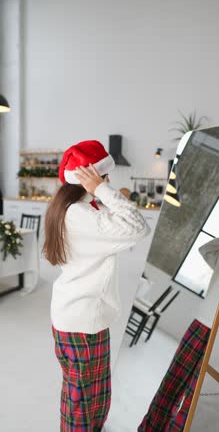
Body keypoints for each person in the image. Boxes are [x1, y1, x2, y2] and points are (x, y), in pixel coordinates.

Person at [42, 140, 151, 431]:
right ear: (90, 177)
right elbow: (138, 226)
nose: (108, 181)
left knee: (92, 397)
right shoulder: (81, 215)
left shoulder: (70, 208)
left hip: (79, 317)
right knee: (82, 402)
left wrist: (98, 191)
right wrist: (101, 189)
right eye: (105, 176)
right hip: (82, 322)